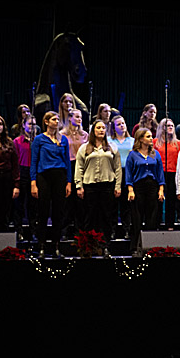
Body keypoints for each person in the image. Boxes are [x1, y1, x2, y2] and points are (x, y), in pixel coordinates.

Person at [74, 119, 122, 254]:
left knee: (106, 216)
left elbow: (117, 168)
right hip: (90, 186)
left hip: (107, 186)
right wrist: (79, 185)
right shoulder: (84, 148)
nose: (101, 130)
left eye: (103, 128)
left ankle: (105, 245)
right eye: (98, 128)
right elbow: (79, 168)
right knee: (90, 217)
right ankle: (88, 246)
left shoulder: (112, 147)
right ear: (93, 131)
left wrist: (118, 186)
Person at [30, 112, 71, 259]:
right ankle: (41, 245)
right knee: (43, 211)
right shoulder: (39, 139)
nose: (57, 121)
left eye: (58, 119)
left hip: (60, 176)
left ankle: (56, 246)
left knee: (58, 213)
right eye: (54, 119)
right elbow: (34, 161)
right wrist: (33, 182)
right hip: (44, 176)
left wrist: (69, 182)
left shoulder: (63, 139)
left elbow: (67, 162)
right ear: (46, 122)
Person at [125, 128, 165, 252]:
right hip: (138, 187)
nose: (151, 138)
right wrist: (130, 189)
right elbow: (129, 173)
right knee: (137, 218)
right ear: (141, 139)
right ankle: (136, 247)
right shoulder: (133, 155)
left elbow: (160, 173)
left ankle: (151, 246)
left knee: (151, 218)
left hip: (152, 186)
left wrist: (161, 189)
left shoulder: (155, 154)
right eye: (148, 136)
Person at [61, 108, 88, 237]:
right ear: (70, 118)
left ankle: (79, 232)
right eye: (77, 117)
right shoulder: (62, 134)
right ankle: (64, 230)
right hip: (68, 165)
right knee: (67, 200)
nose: (79, 119)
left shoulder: (85, 135)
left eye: (80, 117)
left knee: (80, 201)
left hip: (81, 166)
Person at [107, 114, 134, 238]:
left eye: (123, 123)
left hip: (128, 173)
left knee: (126, 204)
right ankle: (111, 230)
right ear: (113, 128)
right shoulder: (109, 141)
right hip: (113, 173)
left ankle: (127, 230)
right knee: (112, 204)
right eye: (118, 124)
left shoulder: (132, 141)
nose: (122, 126)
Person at [154, 117, 180, 231]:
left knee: (171, 201)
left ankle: (170, 225)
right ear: (162, 128)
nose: (170, 127)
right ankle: (156, 224)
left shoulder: (178, 143)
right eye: (167, 126)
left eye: (172, 126)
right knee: (158, 201)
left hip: (173, 174)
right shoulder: (155, 142)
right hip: (159, 174)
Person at [12, 114, 36, 241]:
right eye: (30, 124)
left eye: (34, 124)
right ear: (23, 125)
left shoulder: (37, 140)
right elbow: (14, 161)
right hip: (21, 172)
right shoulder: (17, 141)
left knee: (33, 206)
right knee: (19, 205)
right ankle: (18, 231)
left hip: (34, 173)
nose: (32, 127)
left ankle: (33, 231)